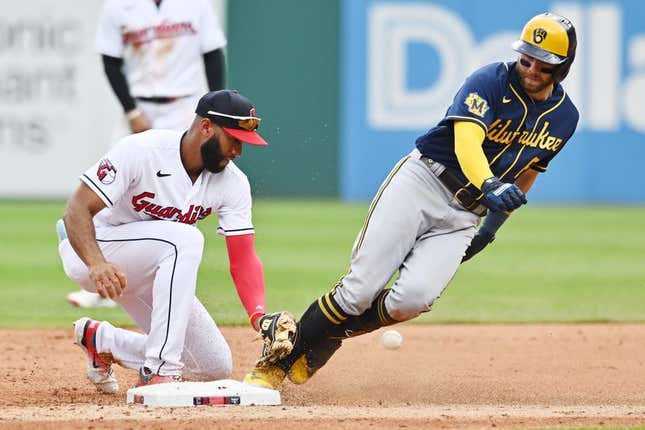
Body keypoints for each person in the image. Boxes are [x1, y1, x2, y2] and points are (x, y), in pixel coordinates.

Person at [243, 12, 579, 389]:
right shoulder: (489, 80)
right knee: (359, 291)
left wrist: (490, 228)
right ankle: (275, 365)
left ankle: (328, 336)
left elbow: (527, 173)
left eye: (543, 62)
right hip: (423, 182)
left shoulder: (565, 118)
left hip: (466, 214)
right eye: (526, 57)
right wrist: (487, 181)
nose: (531, 67)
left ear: (563, 66)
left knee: (412, 300)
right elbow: (466, 140)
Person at [58, 90, 269, 393]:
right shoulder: (143, 150)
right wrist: (96, 263)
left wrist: (259, 316)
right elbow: (76, 209)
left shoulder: (233, 183)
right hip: (93, 249)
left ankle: (101, 340)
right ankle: (160, 370)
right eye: (234, 139)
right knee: (184, 239)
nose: (238, 151)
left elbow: (243, 258)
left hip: (150, 266)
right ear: (207, 127)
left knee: (213, 365)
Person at [67, 0, 227, 309]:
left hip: (185, 107)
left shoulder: (196, 5)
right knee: (106, 192)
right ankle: (99, 280)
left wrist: (215, 109)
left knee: (179, 195)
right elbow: (111, 61)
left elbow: (212, 55)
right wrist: (131, 110)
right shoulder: (118, 6)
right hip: (138, 105)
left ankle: (169, 276)